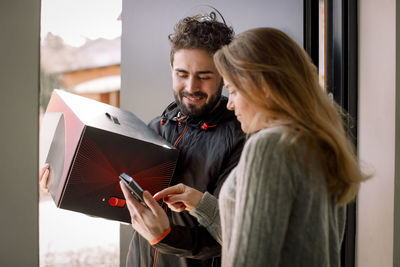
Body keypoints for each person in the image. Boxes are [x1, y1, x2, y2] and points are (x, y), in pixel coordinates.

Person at [120, 27, 369, 267]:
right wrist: (202, 204)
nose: (231, 104)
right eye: (182, 74)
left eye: (235, 91)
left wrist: (165, 236)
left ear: (264, 89)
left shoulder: (269, 146)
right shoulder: (320, 142)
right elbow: (260, 233)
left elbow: (250, 257)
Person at [40, 11, 245, 267]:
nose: (191, 87)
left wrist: (165, 236)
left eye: (204, 77)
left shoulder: (241, 140)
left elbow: (230, 235)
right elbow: (119, 202)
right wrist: (65, 185)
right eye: (182, 74)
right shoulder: (154, 127)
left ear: (224, 75)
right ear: (171, 69)